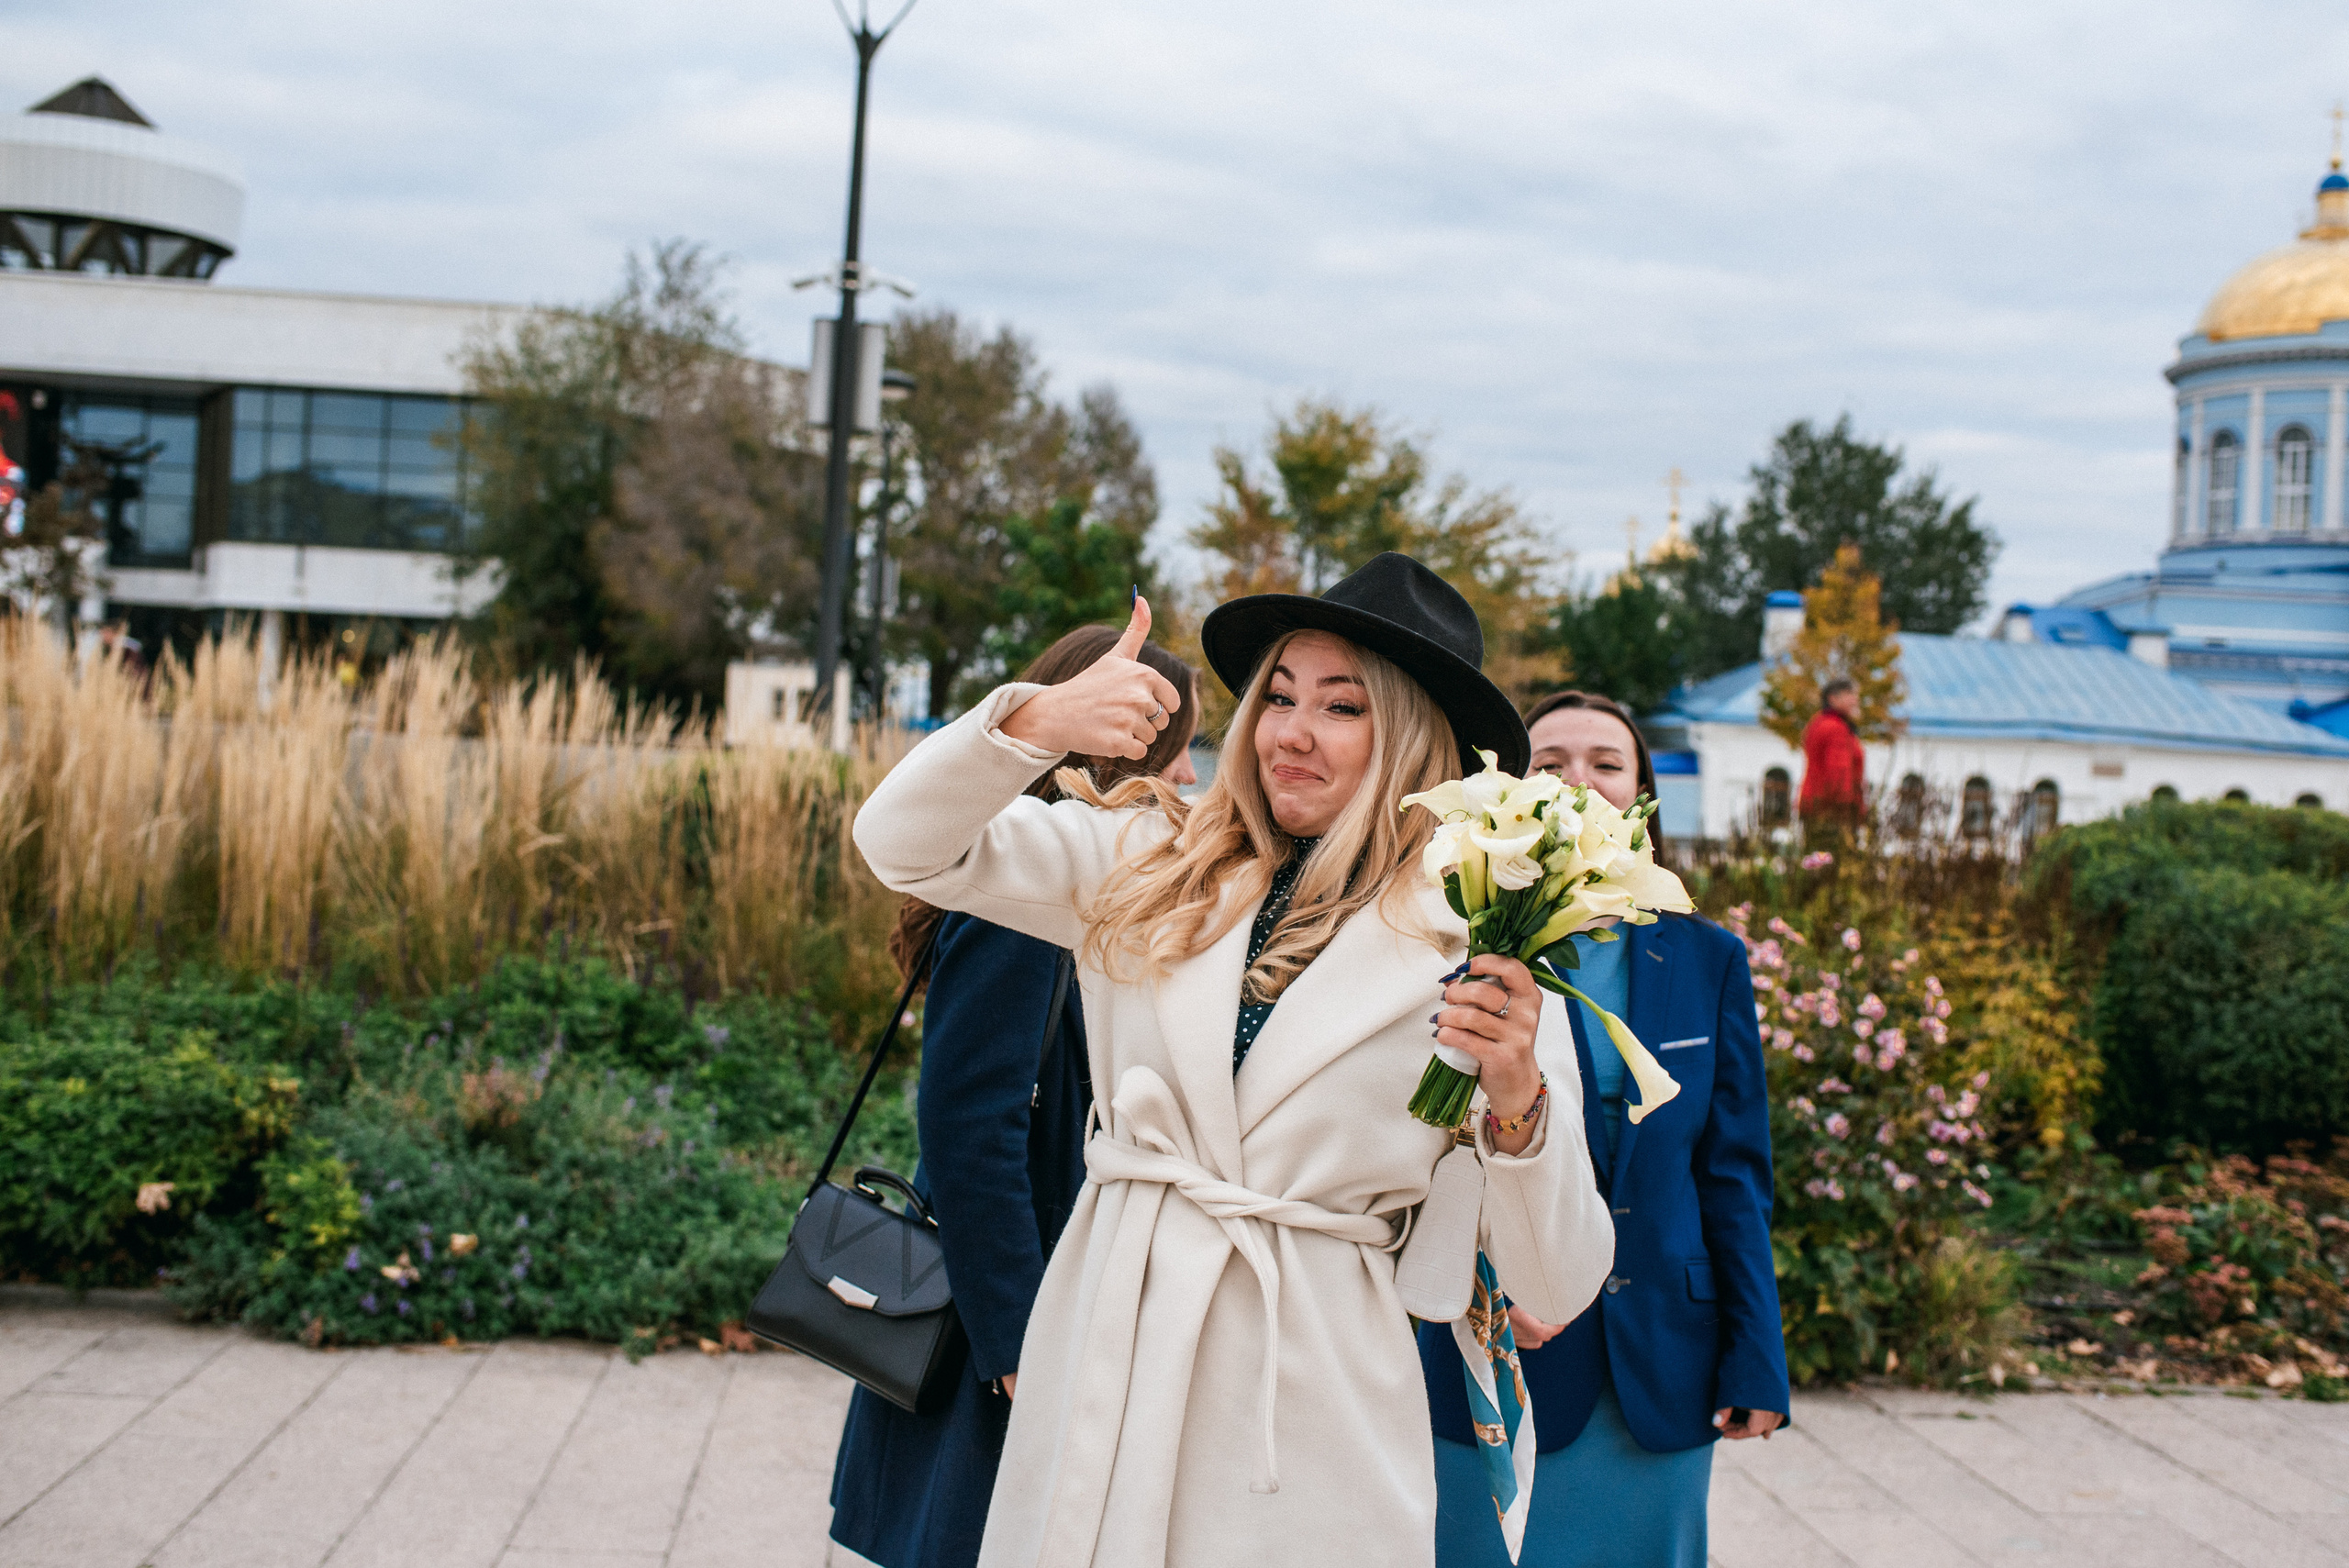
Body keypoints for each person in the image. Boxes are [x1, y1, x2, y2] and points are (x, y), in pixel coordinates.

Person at [852, 552, 1613, 1568]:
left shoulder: (1475, 940)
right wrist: (1031, 725)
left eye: (1341, 706)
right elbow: (901, 843)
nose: (1290, 730)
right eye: (1279, 695)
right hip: (1112, 1334)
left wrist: (1517, 1095)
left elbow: (1552, 1280)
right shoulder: (1145, 857)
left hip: (1307, 1394)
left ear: (1416, 741)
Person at [829, 625, 1200, 1568]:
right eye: (1180, 744)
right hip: (1000, 1306)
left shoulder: (1053, 868)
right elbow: (967, 1123)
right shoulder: (1034, 901)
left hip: (1021, 1286)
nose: (1193, 774)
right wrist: (1018, 1344)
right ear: (1121, 750)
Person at [1419, 690, 1789, 1568]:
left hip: (1663, 1356)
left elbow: (1733, 1171)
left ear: (1642, 797)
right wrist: (1480, 1273)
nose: (1580, 780)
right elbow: (1421, 1151)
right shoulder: (1458, 947)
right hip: (1499, 1347)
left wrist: (1757, 1357)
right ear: (1513, 792)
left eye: (1607, 763)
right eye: (1551, 763)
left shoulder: (1708, 957)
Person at [1798, 678, 1866, 828]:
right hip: (1830, 812)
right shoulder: (1836, 729)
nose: (1855, 700)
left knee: (1815, 850)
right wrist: (1847, 812)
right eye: (1849, 694)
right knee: (1830, 851)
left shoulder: (1818, 722)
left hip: (1814, 803)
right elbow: (1839, 775)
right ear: (1833, 698)